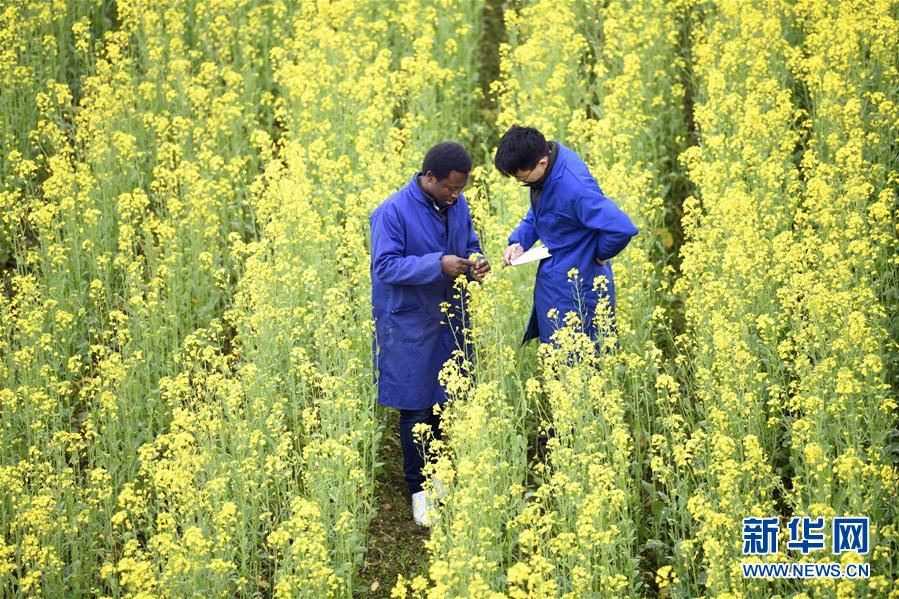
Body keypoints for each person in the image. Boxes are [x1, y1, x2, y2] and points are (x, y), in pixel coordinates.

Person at [369, 141, 490, 527]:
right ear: (429, 177)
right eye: (450, 188)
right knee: (416, 406)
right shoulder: (392, 211)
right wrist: (437, 264)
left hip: (449, 316)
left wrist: (474, 263)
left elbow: (468, 243)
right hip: (408, 321)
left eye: (461, 189)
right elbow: (384, 266)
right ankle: (419, 492)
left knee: (444, 403)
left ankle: (438, 477)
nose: (455, 195)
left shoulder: (458, 205)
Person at [494, 125, 638, 346]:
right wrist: (519, 242)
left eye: (523, 178)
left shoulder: (575, 188)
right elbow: (541, 211)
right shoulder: (548, 165)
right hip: (556, 280)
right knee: (559, 358)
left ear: (541, 163)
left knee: (582, 360)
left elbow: (621, 227)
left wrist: (599, 254)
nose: (522, 183)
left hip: (579, 286)